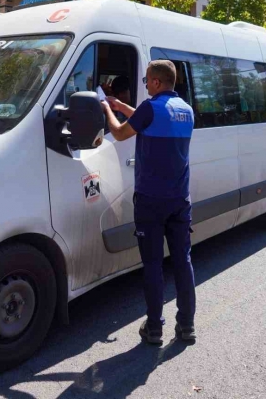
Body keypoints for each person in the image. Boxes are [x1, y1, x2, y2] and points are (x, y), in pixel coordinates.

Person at [101, 60, 196, 345]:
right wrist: (121, 106)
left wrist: (107, 108)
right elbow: (148, 121)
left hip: (151, 201)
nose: (145, 86)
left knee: (153, 264)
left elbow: (120, 133)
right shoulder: (186, 110)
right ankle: (186, 326)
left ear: (155, 82)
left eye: (146, 82)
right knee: (183, 262)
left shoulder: (150, 108)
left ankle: (154, 328)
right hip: (180, 199)